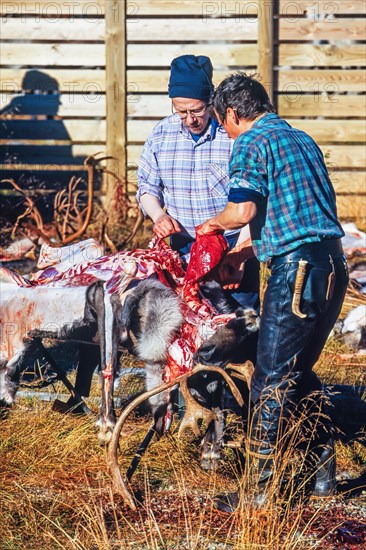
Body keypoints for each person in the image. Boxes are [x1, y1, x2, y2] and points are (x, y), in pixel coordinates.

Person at [198, 73, 349, 510]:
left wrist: (212, 225)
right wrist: (245, 256)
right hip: (331, 266)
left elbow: (242, 209)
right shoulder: (299, 138)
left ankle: (259, 490)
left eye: (222, 123)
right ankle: (323, 473)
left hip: (297, 273)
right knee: (295, 369)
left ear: (231, 113)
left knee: (269, 379)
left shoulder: (250, 142)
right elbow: (295, 214)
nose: (223, 133)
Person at [137, 55, 260, 311]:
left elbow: (254, 199)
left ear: (211, 101)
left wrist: (240, 257)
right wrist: (159, 216)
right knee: (188, 322)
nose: (190, 119)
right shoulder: (161, 134)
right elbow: (147, 188)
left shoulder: (232, 135)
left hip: (231, 247)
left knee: (239, 322)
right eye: (181, 111)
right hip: (182, 246)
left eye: (197, 110)